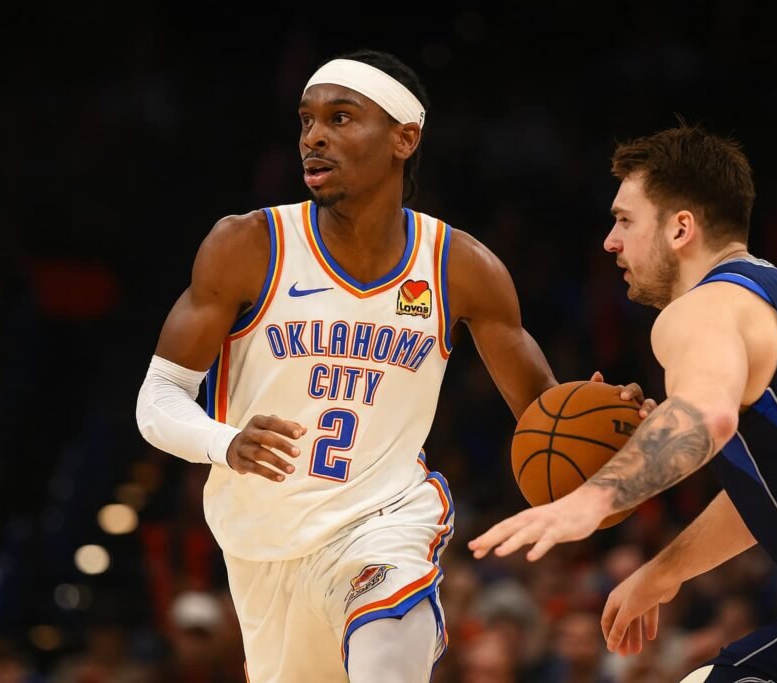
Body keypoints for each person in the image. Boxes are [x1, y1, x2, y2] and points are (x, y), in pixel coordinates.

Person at [135, 50, 648, 682]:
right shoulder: (248, 245)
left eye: (341, 118)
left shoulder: (460, 267)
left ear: (405, 138)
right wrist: (227, 441)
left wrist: (615, 429)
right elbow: (158, 399)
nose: (314, 137)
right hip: (261, 540)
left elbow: (546, 414)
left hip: (385, 520)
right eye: (306, 121)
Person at [469, 123, 777, 681]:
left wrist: (590, 500)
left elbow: (708, 414)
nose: (610, 242)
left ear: (681, 228)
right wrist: (664, 572)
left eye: (625, 220)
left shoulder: (703, 308)